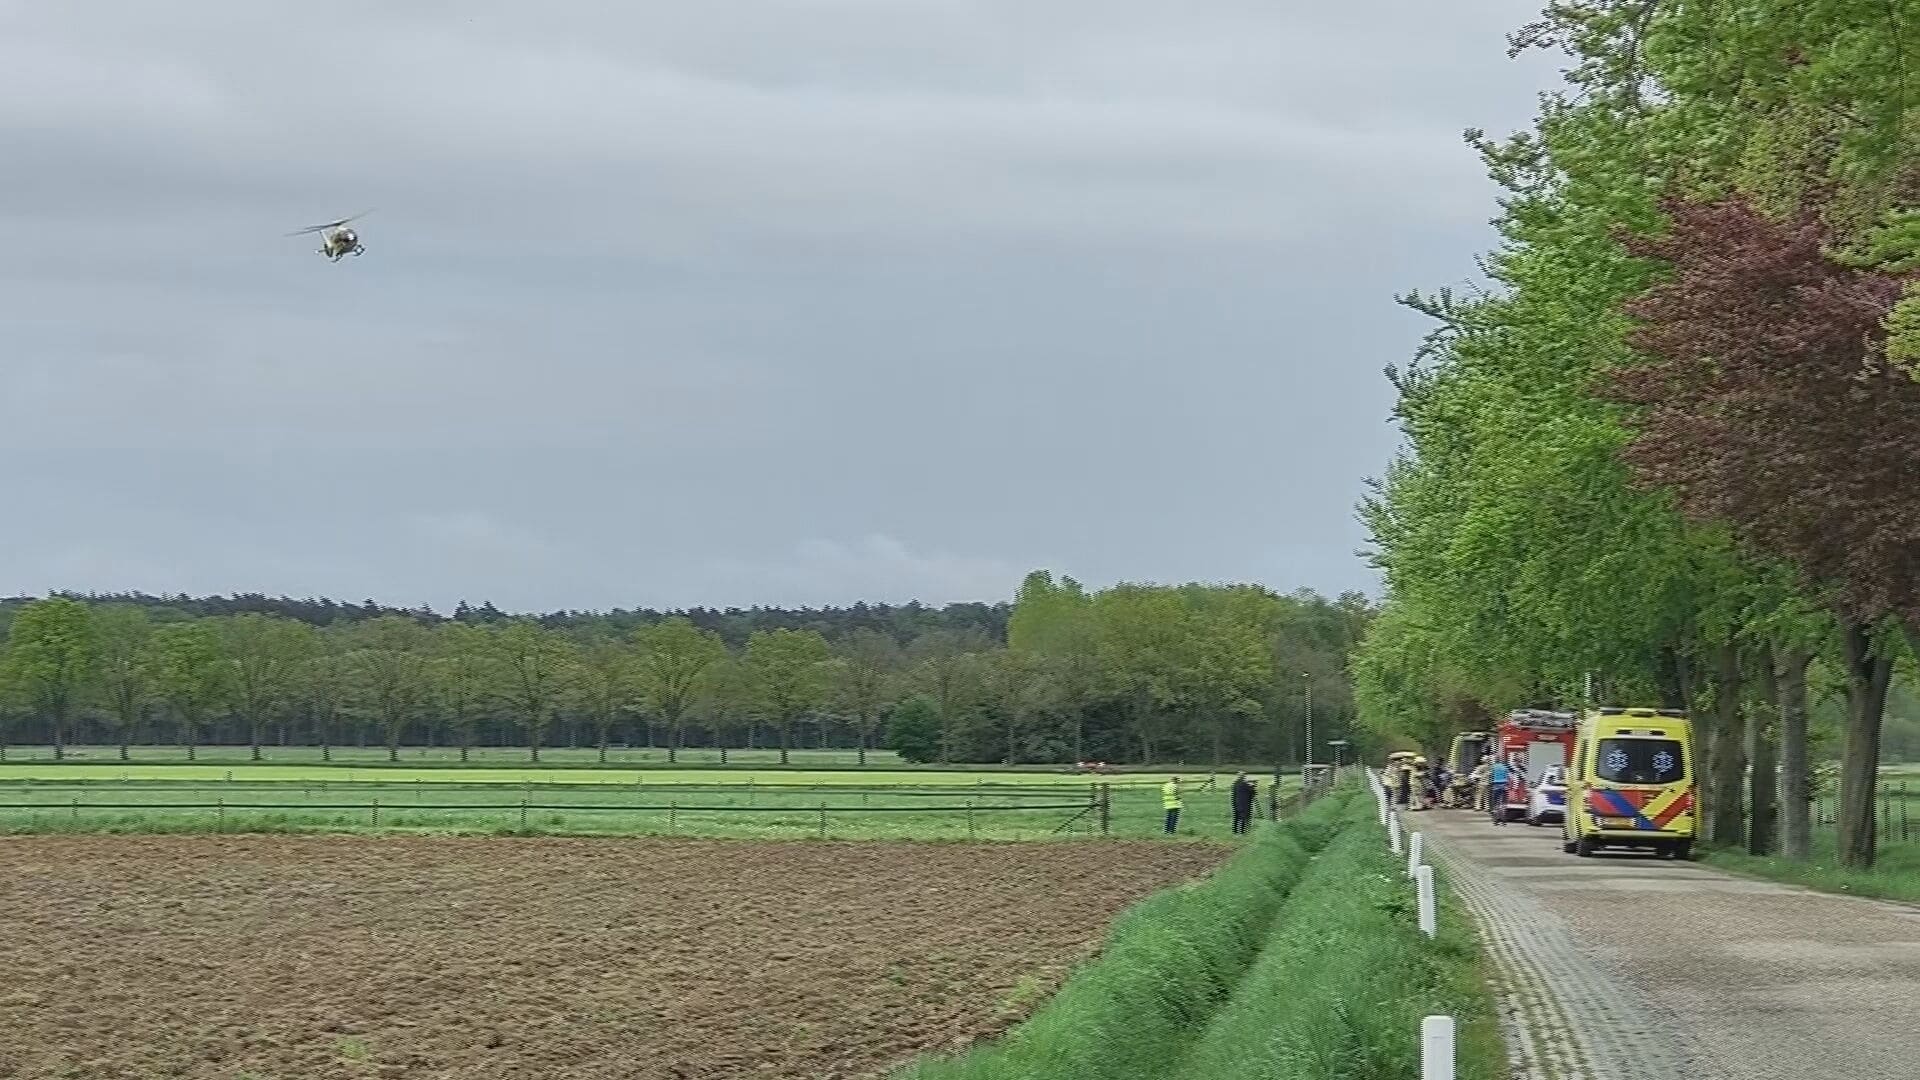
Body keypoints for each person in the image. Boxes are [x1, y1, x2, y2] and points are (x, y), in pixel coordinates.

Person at [1488, 756, 1511, 825]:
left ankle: (1496, 820)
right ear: (1500, 761)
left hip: (1495, 786)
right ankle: (1503, 820)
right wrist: (1508, 784)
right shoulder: (1504, 767)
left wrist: (1490, 784)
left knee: (1496, 803)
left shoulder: (1493, 767)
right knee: (1503, 803)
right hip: (1504, 786)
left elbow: (1490, 776)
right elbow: (1508, 776)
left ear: (1495, 760)